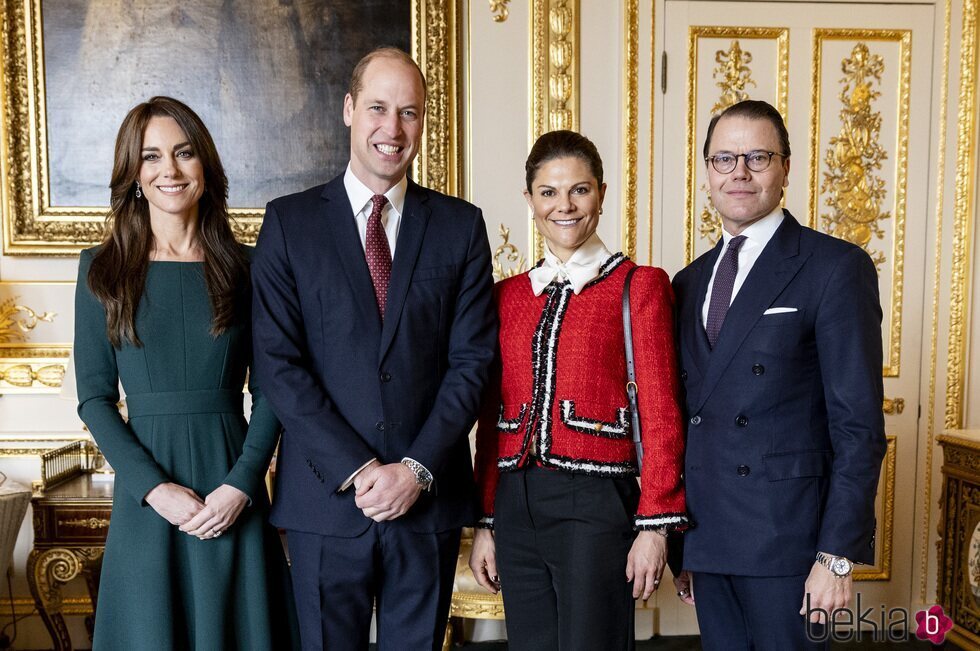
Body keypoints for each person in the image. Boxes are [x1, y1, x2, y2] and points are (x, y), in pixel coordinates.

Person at [251, 47, 497, 650]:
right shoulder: (289, 223)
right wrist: (360, 471)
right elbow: (278, 368)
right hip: (325, 503)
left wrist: (414, 470)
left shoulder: (461, 225)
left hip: (427, 500)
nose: (393, 128)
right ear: (348, 110)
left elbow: (473, 363)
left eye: (409, 113)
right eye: (379, 109)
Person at [73, 96, 298, 650]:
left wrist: (242, 485)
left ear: (205, 167)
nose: (169, 170)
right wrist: (153, 490)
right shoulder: (99, 270)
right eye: (151, 157)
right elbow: (95, 399)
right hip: (147, 502)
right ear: (134, 174)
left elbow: (272, 390)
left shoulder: (250, 267)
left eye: (184, 153)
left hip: (233, 489)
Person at [670, 99, 886, 650]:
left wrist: (835, 557)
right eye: (724, 159)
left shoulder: (834, 267)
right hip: (709, 536)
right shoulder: (688, 282)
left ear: (786, 167)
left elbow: (858, 426)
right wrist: (682, 546)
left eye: (757, 157)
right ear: (707, 172)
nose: (739, 172)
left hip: (790, 542)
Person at [468, 130, 688, 650]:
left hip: (597, 503)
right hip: (517, 506)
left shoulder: (641, 286)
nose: (564, 206)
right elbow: (489, 417)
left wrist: (655, 527)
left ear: (602, 193)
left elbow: (661, 414)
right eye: (548, 192)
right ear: (529, 200)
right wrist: (486, 521)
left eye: (579, 190)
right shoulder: (508, 296)